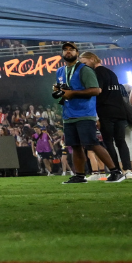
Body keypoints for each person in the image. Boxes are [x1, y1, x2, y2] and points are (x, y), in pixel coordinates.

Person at [52, 42, 103, 184]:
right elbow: (63, 90)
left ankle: (116, 171)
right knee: (75, 146)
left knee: (91, 144)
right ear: (62, 53)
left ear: (77, 52)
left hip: (84, 112)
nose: (68, 52)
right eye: (65, 50)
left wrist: (72, 93)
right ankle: (79, 176)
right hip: (68, 113)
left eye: (71, 49)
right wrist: (59, 91)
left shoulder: (84, 69)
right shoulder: (60, 71)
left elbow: (95, 90)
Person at [83, 51, 132, 182]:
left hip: (106, 112)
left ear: (92, 59)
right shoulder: (112, 73)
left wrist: (96, 116)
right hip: (120, 112)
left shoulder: (97, 73)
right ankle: (128, 170)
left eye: (85, 62)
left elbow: (97, 92)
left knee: (109, 142)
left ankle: (115, 170)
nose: (84, 66)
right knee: (121, 142)